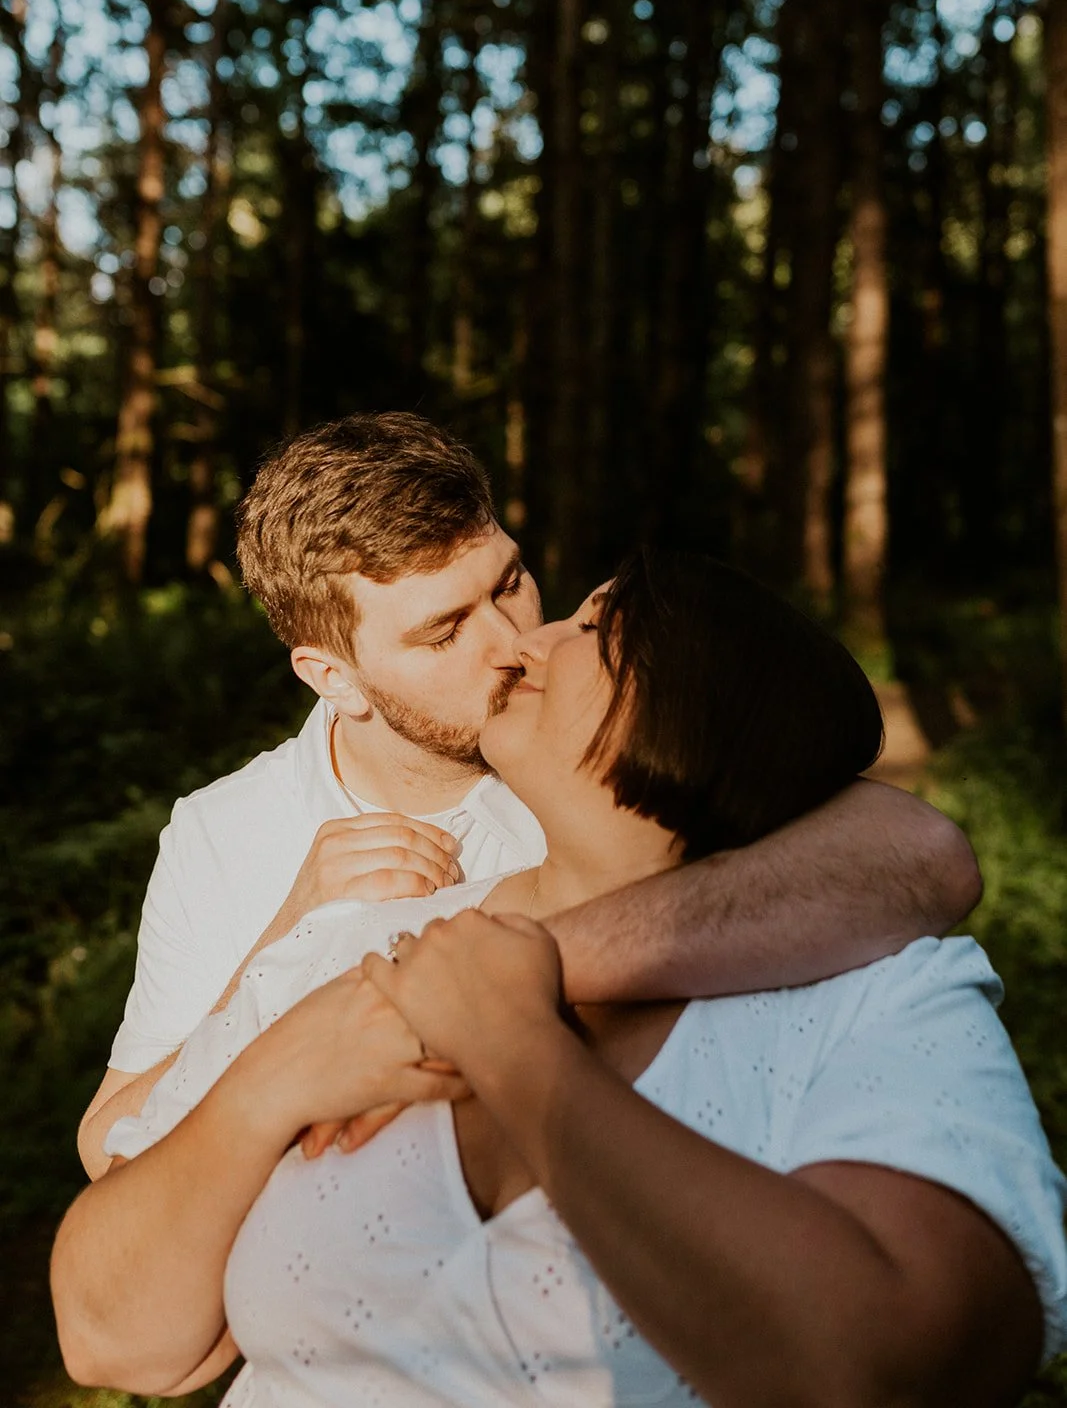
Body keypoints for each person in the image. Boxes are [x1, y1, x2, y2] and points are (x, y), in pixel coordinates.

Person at [53, 552, 1066, 1406]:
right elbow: (110, 1336)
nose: (518, 643)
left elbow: (883, 1369)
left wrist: (518, 1046)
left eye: (592, 625)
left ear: (710, 702)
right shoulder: (348, 944)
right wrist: (272, 1077)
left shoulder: (878, 993)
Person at [78, 413, 979, 1179]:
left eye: (509, 582)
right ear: (332, 676)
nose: (512, 642)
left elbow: (921, 856)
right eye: (444, 633)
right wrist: (288, 942)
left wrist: (506, 972)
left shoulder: (586, 744)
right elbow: (113, 1145)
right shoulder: (224, 831)